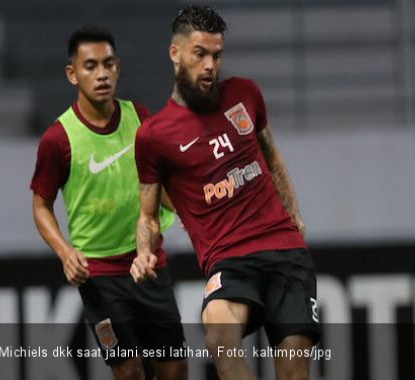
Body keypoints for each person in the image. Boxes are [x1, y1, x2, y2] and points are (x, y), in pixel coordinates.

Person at [132, 6, 320, 380]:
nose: (209, 66)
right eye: (199, 53)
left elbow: (272, 157)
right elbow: (148, 215)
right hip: (230, 261)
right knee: (219, 337)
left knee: (294, 370)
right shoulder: (153, 136)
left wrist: (295, 215)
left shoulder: (245, 94)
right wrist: (143, 252)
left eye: (216, 55)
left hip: (284, 251)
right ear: (175, 53)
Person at [30, 26, 187, 380]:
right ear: (72, 73)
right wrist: (65, 252)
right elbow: (41, 206)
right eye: (90, 66)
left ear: (118, 67)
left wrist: (188, 210)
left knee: (174, 369)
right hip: (99, 276)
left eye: (108, 64)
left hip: (148, 262)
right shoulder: (58, 139)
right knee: (129, 372)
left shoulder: (139, 118)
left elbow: (159, 185)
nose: (101, 74)